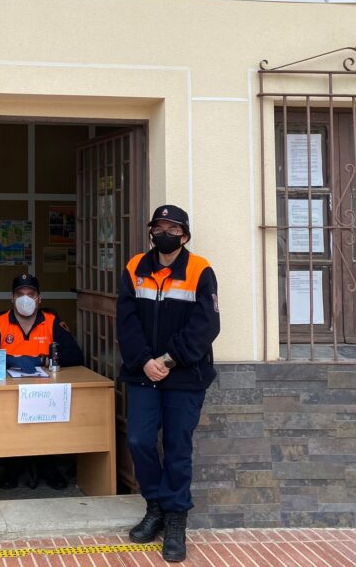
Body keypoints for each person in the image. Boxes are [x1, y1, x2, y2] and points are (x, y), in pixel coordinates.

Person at [116, 205, 220, 563]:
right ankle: (156, 506)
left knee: (177, 446)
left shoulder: (200, 270)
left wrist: (168, 359)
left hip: (185, 375)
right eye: (159, 227)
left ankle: (176, 519)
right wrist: (145, 360)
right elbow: (126, 320)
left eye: (172, 229)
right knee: (139, 440)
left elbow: (206, 326)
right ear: (151, 232)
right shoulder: (135, 267)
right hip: (143, 372)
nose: (165, 233)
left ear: (184, 236)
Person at [0, 273, 84, 490]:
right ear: (12, 298)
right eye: (20, 294)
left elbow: (76, 355)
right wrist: (11, 360)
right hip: (8, 393)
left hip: (46, 392)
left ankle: (47, 464)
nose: (25, 299)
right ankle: (14, 463)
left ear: (39, 298)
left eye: (31, 294)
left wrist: (43, 360)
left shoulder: (51, 321)